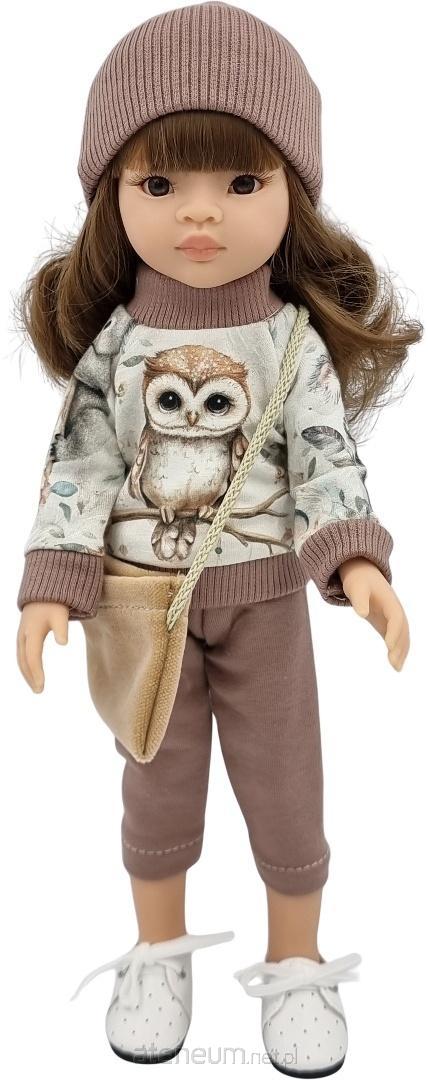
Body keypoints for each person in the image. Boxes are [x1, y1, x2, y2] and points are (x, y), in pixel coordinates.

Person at [15, 3, 421, 1073]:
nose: (200, 213)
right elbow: (79, 464)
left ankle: (297, 959)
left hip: (266, 599)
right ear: (112, 197)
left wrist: (356, 557)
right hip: (139, 604)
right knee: (152, 776)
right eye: (159, 184)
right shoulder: (117, 345)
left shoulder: (291, 340)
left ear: (294, 192)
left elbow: (325, 453)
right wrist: (54, 579)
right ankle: (159, 951)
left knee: (287, 779)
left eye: (242, 181)